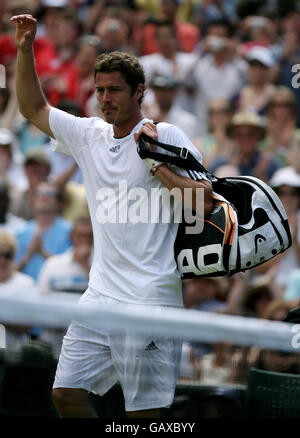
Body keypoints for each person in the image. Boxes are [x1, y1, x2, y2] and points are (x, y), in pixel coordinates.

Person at [11, 14, 213, 418]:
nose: (105, 98)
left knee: (144, 418)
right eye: (100, 90)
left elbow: (203, 204)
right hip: (100, 298)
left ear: (139, 91)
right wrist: (25, 48)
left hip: (151, 301)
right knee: (65, 394)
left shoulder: (168, 136)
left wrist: (158, 164)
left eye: (115, 90)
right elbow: (33, 107)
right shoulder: (89, 135)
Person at [15, 180, 72, 281]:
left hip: (58, 294)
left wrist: (42, 252)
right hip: (25, 293)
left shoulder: (70, 231)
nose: (44, 197)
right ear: (32, 200)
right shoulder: (20, 232)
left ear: (59, 203)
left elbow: (71, 270)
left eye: (49, 194)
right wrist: (29, 255)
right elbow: (11, 272)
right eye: (39, 193)